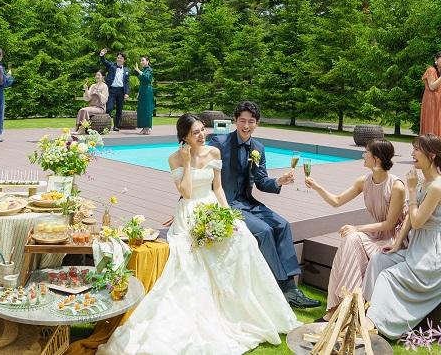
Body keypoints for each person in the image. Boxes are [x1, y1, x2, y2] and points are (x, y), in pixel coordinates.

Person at [96, 114, 300, 355]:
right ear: (184, 137)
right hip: (190, 212)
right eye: (196, 132)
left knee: (243, 238)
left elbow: (218, 188)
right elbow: (187, 192)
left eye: (203, 129)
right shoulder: (174, 158)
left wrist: (227, 216)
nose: (202, 135)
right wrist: (187, 163)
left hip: (212, 206)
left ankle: (242, 306)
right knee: (193, 256)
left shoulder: (214, 152)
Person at [209, 101, 321, 308]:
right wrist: (185, 204)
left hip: (247, 202)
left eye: (251, 121)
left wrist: (279, 181)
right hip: (225, 203)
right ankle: (284, 288)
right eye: (242, 121)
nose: (246, 126)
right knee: (264, 231)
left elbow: (261, 182)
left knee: (282, 225)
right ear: (235, 121)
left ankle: (292, 287)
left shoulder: (258, 148)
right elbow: (199, 169)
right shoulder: (219, 142)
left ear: (257, 123)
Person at [363, 134, 441, 339]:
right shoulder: (422, 182)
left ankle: (375, 327)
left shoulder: (437, 187)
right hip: (417, 249)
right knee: (379, 260)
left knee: (388, 277)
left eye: (417, 149)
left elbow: (416, 221)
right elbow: (409, 217)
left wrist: (410, 189)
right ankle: (364, 312)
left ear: (431, 155)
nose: (412, 153)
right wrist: (397, 244)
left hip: (436, 257)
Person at [304, 139, 407, 321]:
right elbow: (337, 201)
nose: (363, 155)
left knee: (352, 237)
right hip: (376, 234)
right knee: (350, 239)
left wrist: (357, 228)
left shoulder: (396, 186)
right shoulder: (364, 181)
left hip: (394, 239)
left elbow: (390, 224)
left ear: (376, 158)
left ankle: (343, 308)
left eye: (366, 152)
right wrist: (317, 187)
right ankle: (341, 307)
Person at [420, 51, 441, 139]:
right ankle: (428, 145)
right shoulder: (431, 70)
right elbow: (432, 87)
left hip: (438, 101)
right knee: (430, 123)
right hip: (430, 100)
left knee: (437, 122)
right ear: (436, 59)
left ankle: (436, 146)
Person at [99, 48, 130, 132]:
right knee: (109, 108)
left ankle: (116, 126)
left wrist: (127, 93)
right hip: (111, 90)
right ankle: (106, 125)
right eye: (118, 58)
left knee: (119, 109)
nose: (119, 59)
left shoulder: (126, 70)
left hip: (121, 91)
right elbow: (104, 61)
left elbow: (127, 82)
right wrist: (102, 55)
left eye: (121, 58)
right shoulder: (112, 66)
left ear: (124, 60)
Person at [135, 56, 154, 135]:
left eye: (143, 60)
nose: (141, 62)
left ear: (147, 61)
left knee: (147, 109)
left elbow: (147, 78)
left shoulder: (149, 69)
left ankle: (148, 127)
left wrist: (138, 70)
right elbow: (142, 82)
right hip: (142, 91)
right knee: (142, 109)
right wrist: (139, 92)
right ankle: (144, 127)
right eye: (141, 61)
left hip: (147, 91)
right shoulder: (143, 70)